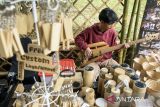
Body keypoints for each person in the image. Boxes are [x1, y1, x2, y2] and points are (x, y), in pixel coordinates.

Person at [75, 8, 129, 79]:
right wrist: (86, 48)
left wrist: (121, 47)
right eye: (110, 24)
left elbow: (114, 47)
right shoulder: (90, 31)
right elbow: (78, 39)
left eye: (113, 23)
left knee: (120, 71)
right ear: (102, 22)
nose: (113, 26)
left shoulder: (112, 32)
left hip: (107, 60)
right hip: (93, 61)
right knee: (90, 76)